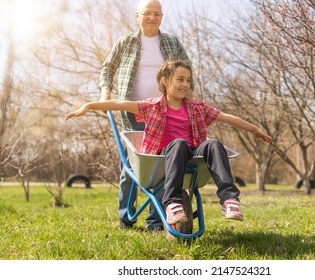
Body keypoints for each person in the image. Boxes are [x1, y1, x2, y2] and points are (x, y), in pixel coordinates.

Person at [66, 60, 271, 224]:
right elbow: (120, 103)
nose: (185, 85)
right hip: (163, 155)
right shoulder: (151, 106)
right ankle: (172, 202)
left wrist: (254, 129)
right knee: (179, 143)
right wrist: (90, 105)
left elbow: (225, 117)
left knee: (214, 144)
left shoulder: (196, 107)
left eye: (188, 80)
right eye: (180, 79)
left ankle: (229, 199)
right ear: (165, 81)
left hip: (191, 153)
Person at [98, 0, 190, 231]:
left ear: (162, 16)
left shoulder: (171, 42)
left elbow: (186, 69)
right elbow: (108, 68)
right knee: (130, 167)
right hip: (134, 115)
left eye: (157, 14)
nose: (152, 17)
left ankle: (155, 221)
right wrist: (105, 92)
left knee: (161, 166)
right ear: (137, 15)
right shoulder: (126, 42)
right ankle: (126, 218)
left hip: (165, 114)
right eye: (147, 13)